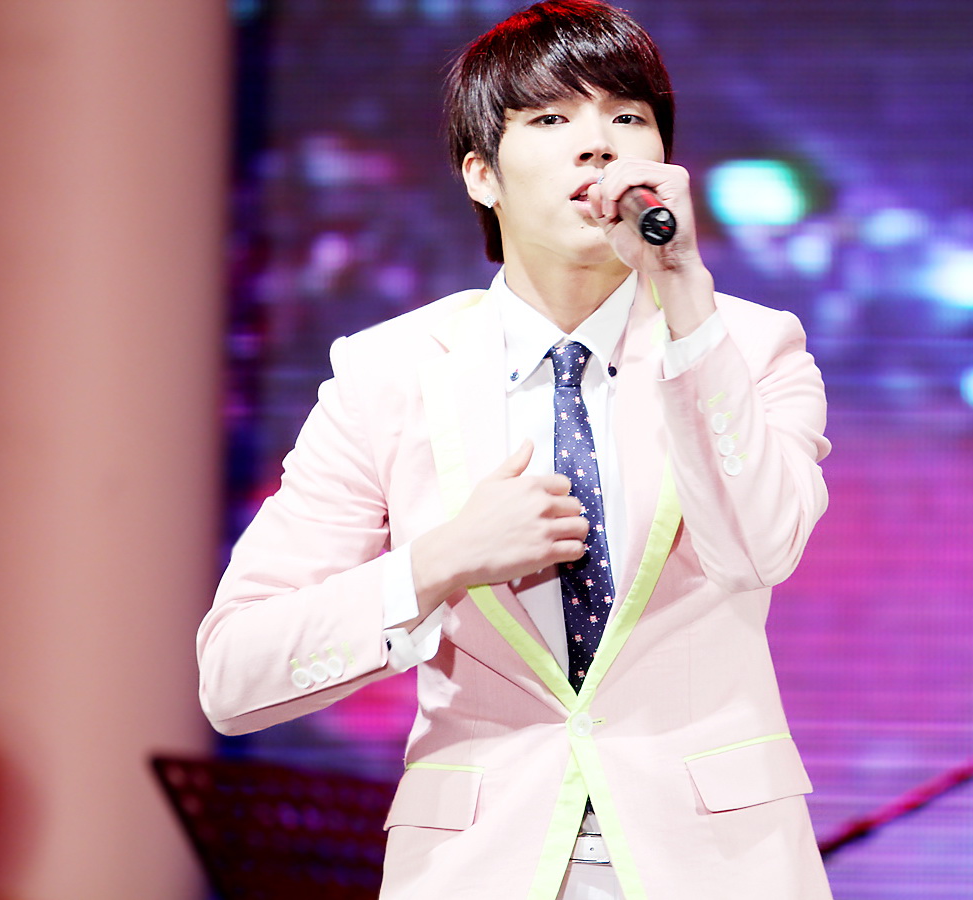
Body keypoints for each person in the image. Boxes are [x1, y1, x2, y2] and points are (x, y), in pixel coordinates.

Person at [196, 2, 833, 898]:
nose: (598, 144)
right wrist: (439, 562)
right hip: (478, 866)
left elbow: (757, 548)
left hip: (716, 867)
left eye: (627, 117)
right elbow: (235, 675)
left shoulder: (751, 347)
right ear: (481, 175)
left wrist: (684, 295)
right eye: (551, 119)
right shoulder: (389, 373)